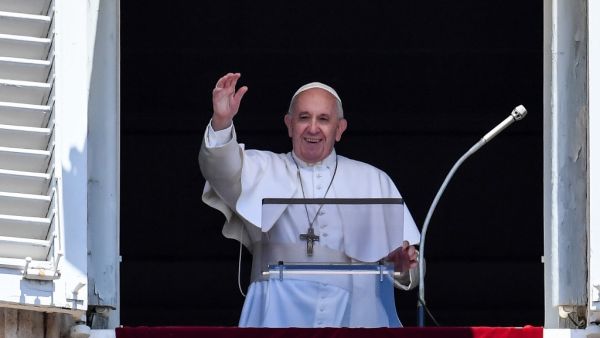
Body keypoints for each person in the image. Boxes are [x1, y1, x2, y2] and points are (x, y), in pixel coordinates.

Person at [199, 72, 421, 328]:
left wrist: (403, 267)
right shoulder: (260, 168)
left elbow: (412, 268)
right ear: (289, 124)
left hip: (355, 315)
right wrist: (222, 120)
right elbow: (218, 169)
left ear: (339, 129)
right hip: (275, 313)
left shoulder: (373, 180)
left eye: (324, 119)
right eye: (304, 118)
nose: (313, 127)